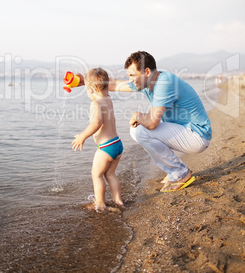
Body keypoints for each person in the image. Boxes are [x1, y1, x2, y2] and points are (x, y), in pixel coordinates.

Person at [77, 51, 212, 192]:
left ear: (146, 71)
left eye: (132, 75)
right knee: (141, 129)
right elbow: (114, 84)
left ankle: (180, 173)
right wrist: (85, 82)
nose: (130, 80)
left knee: (139, 130)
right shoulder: (148, 82)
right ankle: (174, 171)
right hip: (186, 132)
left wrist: (137, 115)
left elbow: (152, 123)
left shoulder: (164, 84)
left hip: (197, 136)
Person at [71, 68, 124, 211]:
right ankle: (118, 201)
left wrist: (83, 136)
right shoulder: (108, 99)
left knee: (96, 175)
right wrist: (85, 82)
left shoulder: (96, 104)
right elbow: (98, 83)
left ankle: (100, 203)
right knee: (110, 174)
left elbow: (96, 123)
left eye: (87, 90)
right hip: (117, 144)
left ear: (91, 89)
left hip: (106, 147)